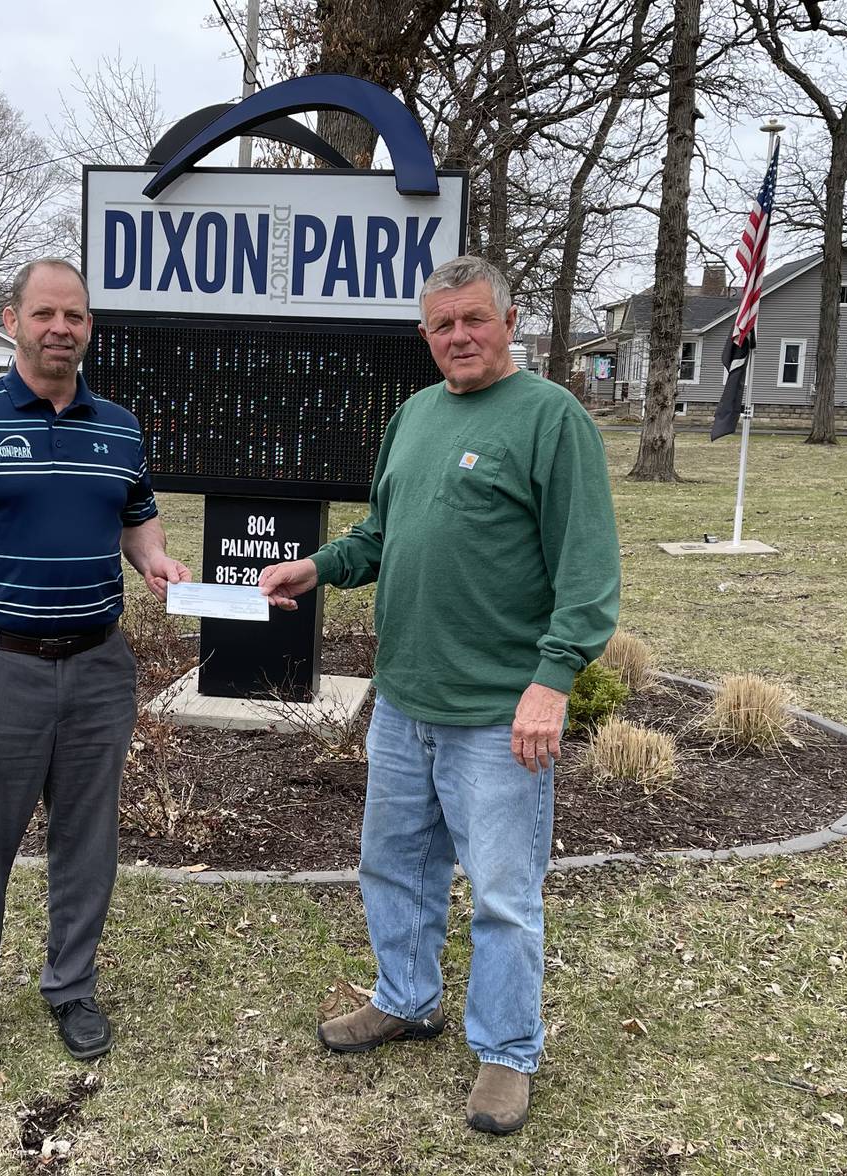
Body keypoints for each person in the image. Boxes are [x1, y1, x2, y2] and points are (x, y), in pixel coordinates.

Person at [258, 255, 620, 1135]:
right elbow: (384, 532)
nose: (458, 337)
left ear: (509, 320)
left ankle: (506, 1052)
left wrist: (552, 681)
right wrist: (318, 567)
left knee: (501, 890)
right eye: (441, 325)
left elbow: (588, 571)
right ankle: (406, 998)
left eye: (474, 320)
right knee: (396, 864)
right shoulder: (415, 416)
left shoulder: (551, 419)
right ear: (425, 335)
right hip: (405, 700)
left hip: (498, 710)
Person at [0, 258, 189, 1071]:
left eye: (77, 316)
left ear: (91, 327)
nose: (62, 328)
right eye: (47, 313)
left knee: (87, 841)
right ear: (13, 318)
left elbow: (137, 522)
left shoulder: (120, 428)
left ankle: (72, 987)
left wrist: (157, 563)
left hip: (98, 669)